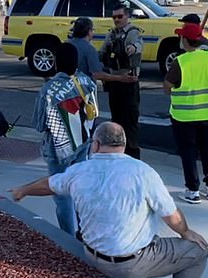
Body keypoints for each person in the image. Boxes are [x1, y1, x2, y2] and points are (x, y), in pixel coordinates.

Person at [10, 122, 208, 278]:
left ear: (95, 145)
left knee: (147, 239)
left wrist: (23, 190)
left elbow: (48, 184)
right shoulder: (142, 172)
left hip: (93, 254)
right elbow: (171, 216)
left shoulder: (78, 171)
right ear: (123, 145)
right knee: (198, 251)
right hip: (129, 264)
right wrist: (186, 232)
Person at [33, 43, 98, 235]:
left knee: (62, 196)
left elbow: (39, 124)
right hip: (82, 144)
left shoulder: (48, 90)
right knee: (80, 191)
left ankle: (67, 238)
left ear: (56, 63)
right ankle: (85, 232)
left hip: (57, 150)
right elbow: (93, 113)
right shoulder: (86, 82)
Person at [163, 23, 208, 204]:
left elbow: (167, 86)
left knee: (188, 152)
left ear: (185, 40)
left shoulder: (181, 61)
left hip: (184, 116)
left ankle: (193, 190)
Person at [99, 4, 143, 159]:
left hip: (129, 83)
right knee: (116, 121)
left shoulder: (132, 32)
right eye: (114, 17)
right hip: (114, 83)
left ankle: (133, 156)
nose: (116, 20)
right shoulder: (111, 35)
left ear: (127, 16)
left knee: (130, 123)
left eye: (120, 16)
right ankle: (118, 154)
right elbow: (102, 52)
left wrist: (133, 48)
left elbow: (138, 45)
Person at [69, 17, 137, 84]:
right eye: (92, 30)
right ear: (89, 32)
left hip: (64, 89)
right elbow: (97, 74)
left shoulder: (65, 45)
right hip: (81, 89)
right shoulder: (89, 49)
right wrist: (121, 78)